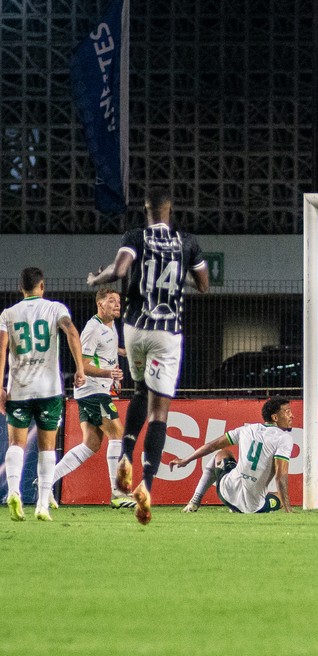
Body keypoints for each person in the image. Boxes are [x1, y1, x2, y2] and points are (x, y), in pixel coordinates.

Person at [86, 187, 210, 524]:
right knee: (159, 412)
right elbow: (203, 285)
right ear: (170, 210)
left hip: (135, 327)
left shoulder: (135, 236)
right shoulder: (188, 242)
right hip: (167, 332)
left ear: (146, 210)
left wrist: (95, 277)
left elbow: (119, 270)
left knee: (140, 391)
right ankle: (147, 485)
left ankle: (125, 452)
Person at [0, 267, 86, 521]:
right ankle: (42, 505)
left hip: (19, 389)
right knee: (47, 448)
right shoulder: (55, 308)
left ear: (20, 288)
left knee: (16, 444)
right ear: (42, 286)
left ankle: (14, 491)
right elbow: (71, 331)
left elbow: (2, 349)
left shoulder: (8, 314)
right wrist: (80, 368)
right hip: (49, 390)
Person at [50, 288, 135, 508]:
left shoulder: (109, 325)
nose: (117, 304)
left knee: (91, 444)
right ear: (99, 304)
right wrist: (109, 373)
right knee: (117, 434)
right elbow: (84, 364)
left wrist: (122, 353)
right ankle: (118, 493)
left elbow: (105, 347)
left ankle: (45, 480)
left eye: (118, 300)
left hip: (95, 391)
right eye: (111, 301)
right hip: (93, 390)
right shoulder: (93, 328)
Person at [167, 397, 294, 514]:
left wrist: (186, 460)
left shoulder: (246, 429)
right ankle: (254, 505)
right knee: (279, 498)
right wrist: (289, 510)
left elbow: (212, 445)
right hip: (252, 508)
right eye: (287, 412)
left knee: (222, 453)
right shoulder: (284, 438)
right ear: (275, 417)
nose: (291, 416)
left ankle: (195, 501)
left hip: (226, 493)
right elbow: (280, 476)